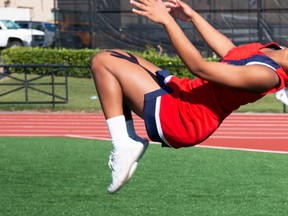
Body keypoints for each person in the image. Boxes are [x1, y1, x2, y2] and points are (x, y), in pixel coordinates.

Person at [90, 0, 288, 194]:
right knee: (116, 55)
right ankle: (127, 141)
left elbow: (199, 67)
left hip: (187, 117)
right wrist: (192, 17)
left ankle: (123, 144)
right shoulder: (275, 50)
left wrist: (168, 22)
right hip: (186, 94)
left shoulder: (266, 76)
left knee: (103, 62)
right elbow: (231, 53)